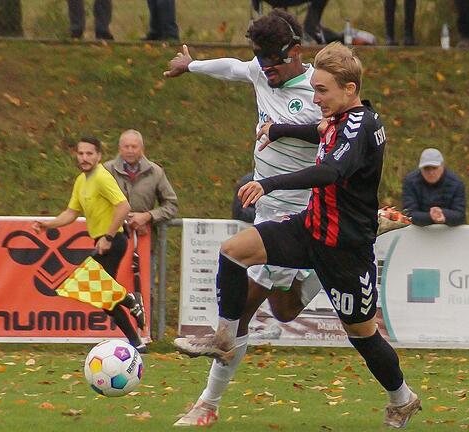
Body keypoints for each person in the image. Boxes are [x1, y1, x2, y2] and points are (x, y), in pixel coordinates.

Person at [174, 42, 420, 429]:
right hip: (310, 227)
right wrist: (277, 128)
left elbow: (329, 173)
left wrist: (269, 183)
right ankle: (224, 336)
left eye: (322, 91)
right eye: (315, 89)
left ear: (349, 90)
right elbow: (315, 130)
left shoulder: (360, 126)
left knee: (363, 336)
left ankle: (402, 399)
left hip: (344, 250)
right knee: (233, 251)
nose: (315, 97)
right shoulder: (338, 119)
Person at [165, 10, 326, 427]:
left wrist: (281, 130)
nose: (266, 71)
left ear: (295, 52)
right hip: (268, 208)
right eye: (262, 62)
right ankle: (327, 268)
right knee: (285, 308)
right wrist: (191, 65)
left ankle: (208, 404)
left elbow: (333, 131)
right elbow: (234, 68)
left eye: (273, 63)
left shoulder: (318, 88)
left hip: (299, 212)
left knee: (241, 315)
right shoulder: (260, 68)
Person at [31, 137, 147, 352]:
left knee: (93, 287)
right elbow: (71, 213)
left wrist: (108, 237)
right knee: (103, 297)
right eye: (81, 153)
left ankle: (130, 302)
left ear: (99, 156)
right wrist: (48, 224)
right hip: (102, 240)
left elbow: (123, 207)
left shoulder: (102, 177)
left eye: (89, 154)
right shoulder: (81, 181)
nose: (84, 158)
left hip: (114, 241)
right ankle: (136, 341)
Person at [103, 129, 178, 235]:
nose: (130, 150)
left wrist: (148, 216)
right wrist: (121, 218)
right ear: (119, 149)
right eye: (126, 146)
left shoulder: (155, 172)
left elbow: (171, 205)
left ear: (142, 149)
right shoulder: (106, 170)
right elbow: (94, 202)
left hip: (144, 238)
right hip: (111, 237)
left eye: (134, 147)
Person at [402, 148, 466, 227]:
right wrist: (430, 217)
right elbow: (408, 214)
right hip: (419, 232)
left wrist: (444, 214)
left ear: (442, 166)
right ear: (420, 169)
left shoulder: (456, 183)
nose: (431, 173)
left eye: (434, 168)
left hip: (450, 233)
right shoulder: (410, 181)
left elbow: (460, 215)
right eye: (427, 169)